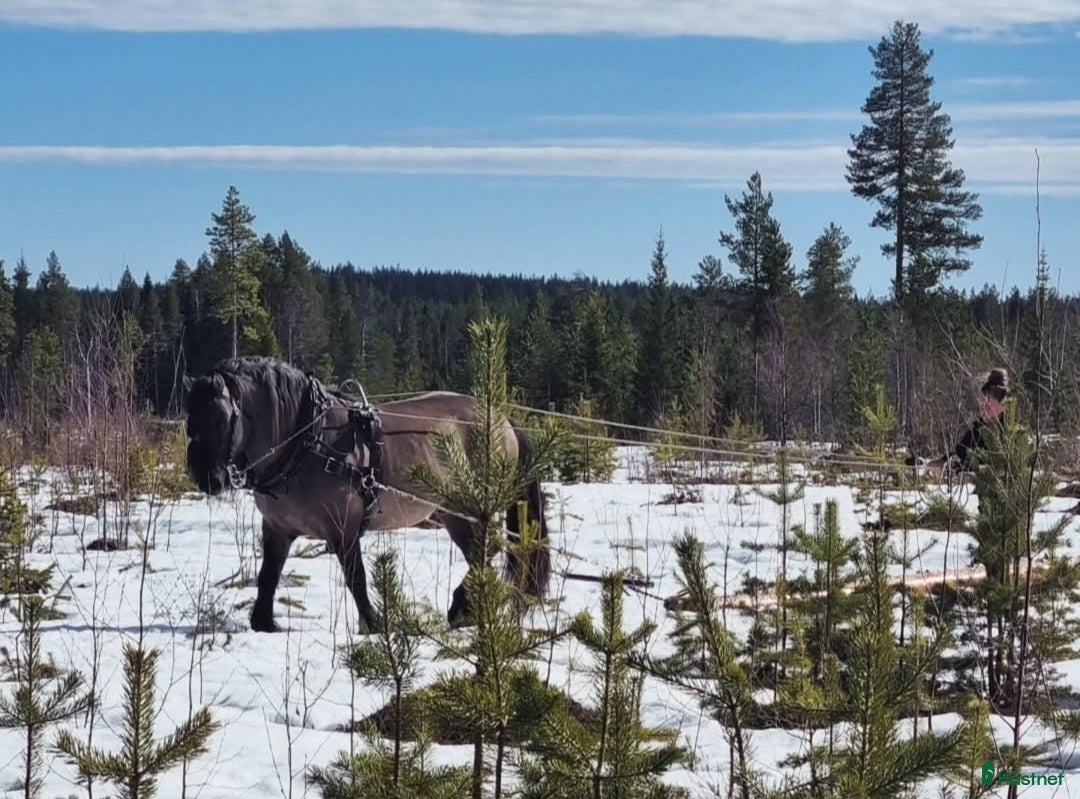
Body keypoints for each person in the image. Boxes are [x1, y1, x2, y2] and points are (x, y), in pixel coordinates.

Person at [924, 368, 1010, 475]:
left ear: (1003, 406)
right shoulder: (975, 433)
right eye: (981, 405)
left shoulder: (1010, 434)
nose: (983, 409)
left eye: (988, 405)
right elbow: (960, 453)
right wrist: (942, 462)